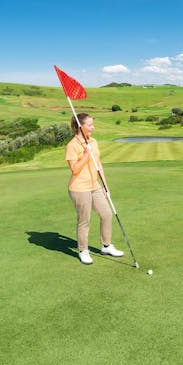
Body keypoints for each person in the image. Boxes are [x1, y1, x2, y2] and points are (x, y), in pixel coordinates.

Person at [65, 113, 124, 265]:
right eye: (90, 125)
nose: (93, 127)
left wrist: (105, 186)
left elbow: (98, 165)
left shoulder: (93, 142)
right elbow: (75, 169)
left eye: (93, 124)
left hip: (94, 186)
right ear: (80, 126)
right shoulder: (72, 145)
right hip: (79, 188)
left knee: (106, 214)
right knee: (84, 221)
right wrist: (86, 153)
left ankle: (106, 246)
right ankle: (83, 251)